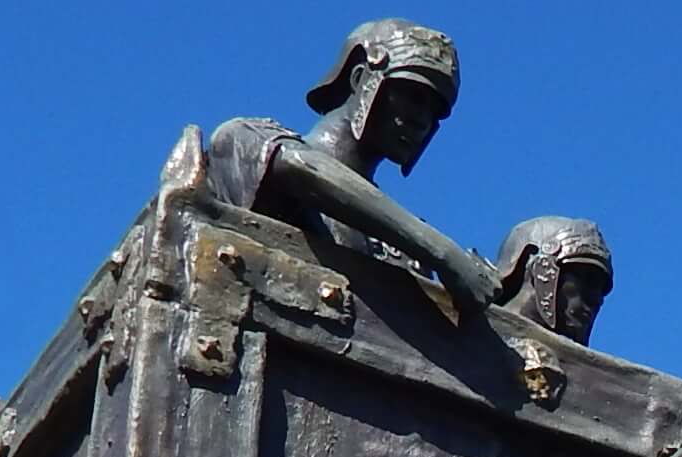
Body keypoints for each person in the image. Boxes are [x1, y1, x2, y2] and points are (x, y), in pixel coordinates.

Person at [205, 21, 494, 318]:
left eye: (434, 109)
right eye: (413, 96)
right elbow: (300, 167)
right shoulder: (247, 138)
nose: (422, 119)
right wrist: (443, 253)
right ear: (360, 80)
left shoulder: (408, 254)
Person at [492, 216, 615, 345]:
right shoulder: (474, 333)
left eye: (601, 289)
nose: (597, 299)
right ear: (538, 266)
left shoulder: (580, 364)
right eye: (589, 279)